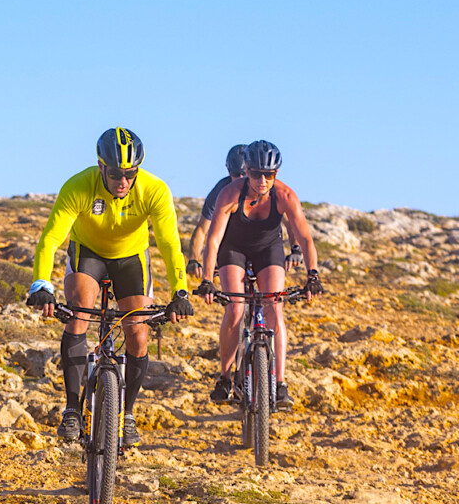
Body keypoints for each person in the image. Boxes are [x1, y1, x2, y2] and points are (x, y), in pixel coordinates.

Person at [25, 128, 193, 450]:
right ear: (101, 166)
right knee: (78, 315)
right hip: (88, 252)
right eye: (116, 174)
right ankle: (73, 409)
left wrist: (180, 292)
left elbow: (170, 244)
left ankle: (126, 413)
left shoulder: (154, 190)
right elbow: (50, 238)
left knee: (139, 332)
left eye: (131, 174)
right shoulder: (79, 186)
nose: (124, 182)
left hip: (131, 257)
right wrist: (41, 284)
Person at [195, 140, 323, 410]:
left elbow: (305, 238)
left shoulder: (285, 196)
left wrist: (313, 275)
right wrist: (207, 279)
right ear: (246, 170)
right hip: (234, 249)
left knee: (274, 308)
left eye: (269, 174)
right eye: (255, 174)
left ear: (276, 173)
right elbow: (214, 241)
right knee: (235, 307)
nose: (262, 180)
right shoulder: (230, 193)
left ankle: (279, 383)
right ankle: (225, 377)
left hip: (269, 249)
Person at [187, 144, 248, 284]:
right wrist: (193, 260)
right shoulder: (220, 191)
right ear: (228, 170)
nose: (239, 178)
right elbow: (202, 229)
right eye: (235, 173)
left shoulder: (263, 187)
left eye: (244, 174)